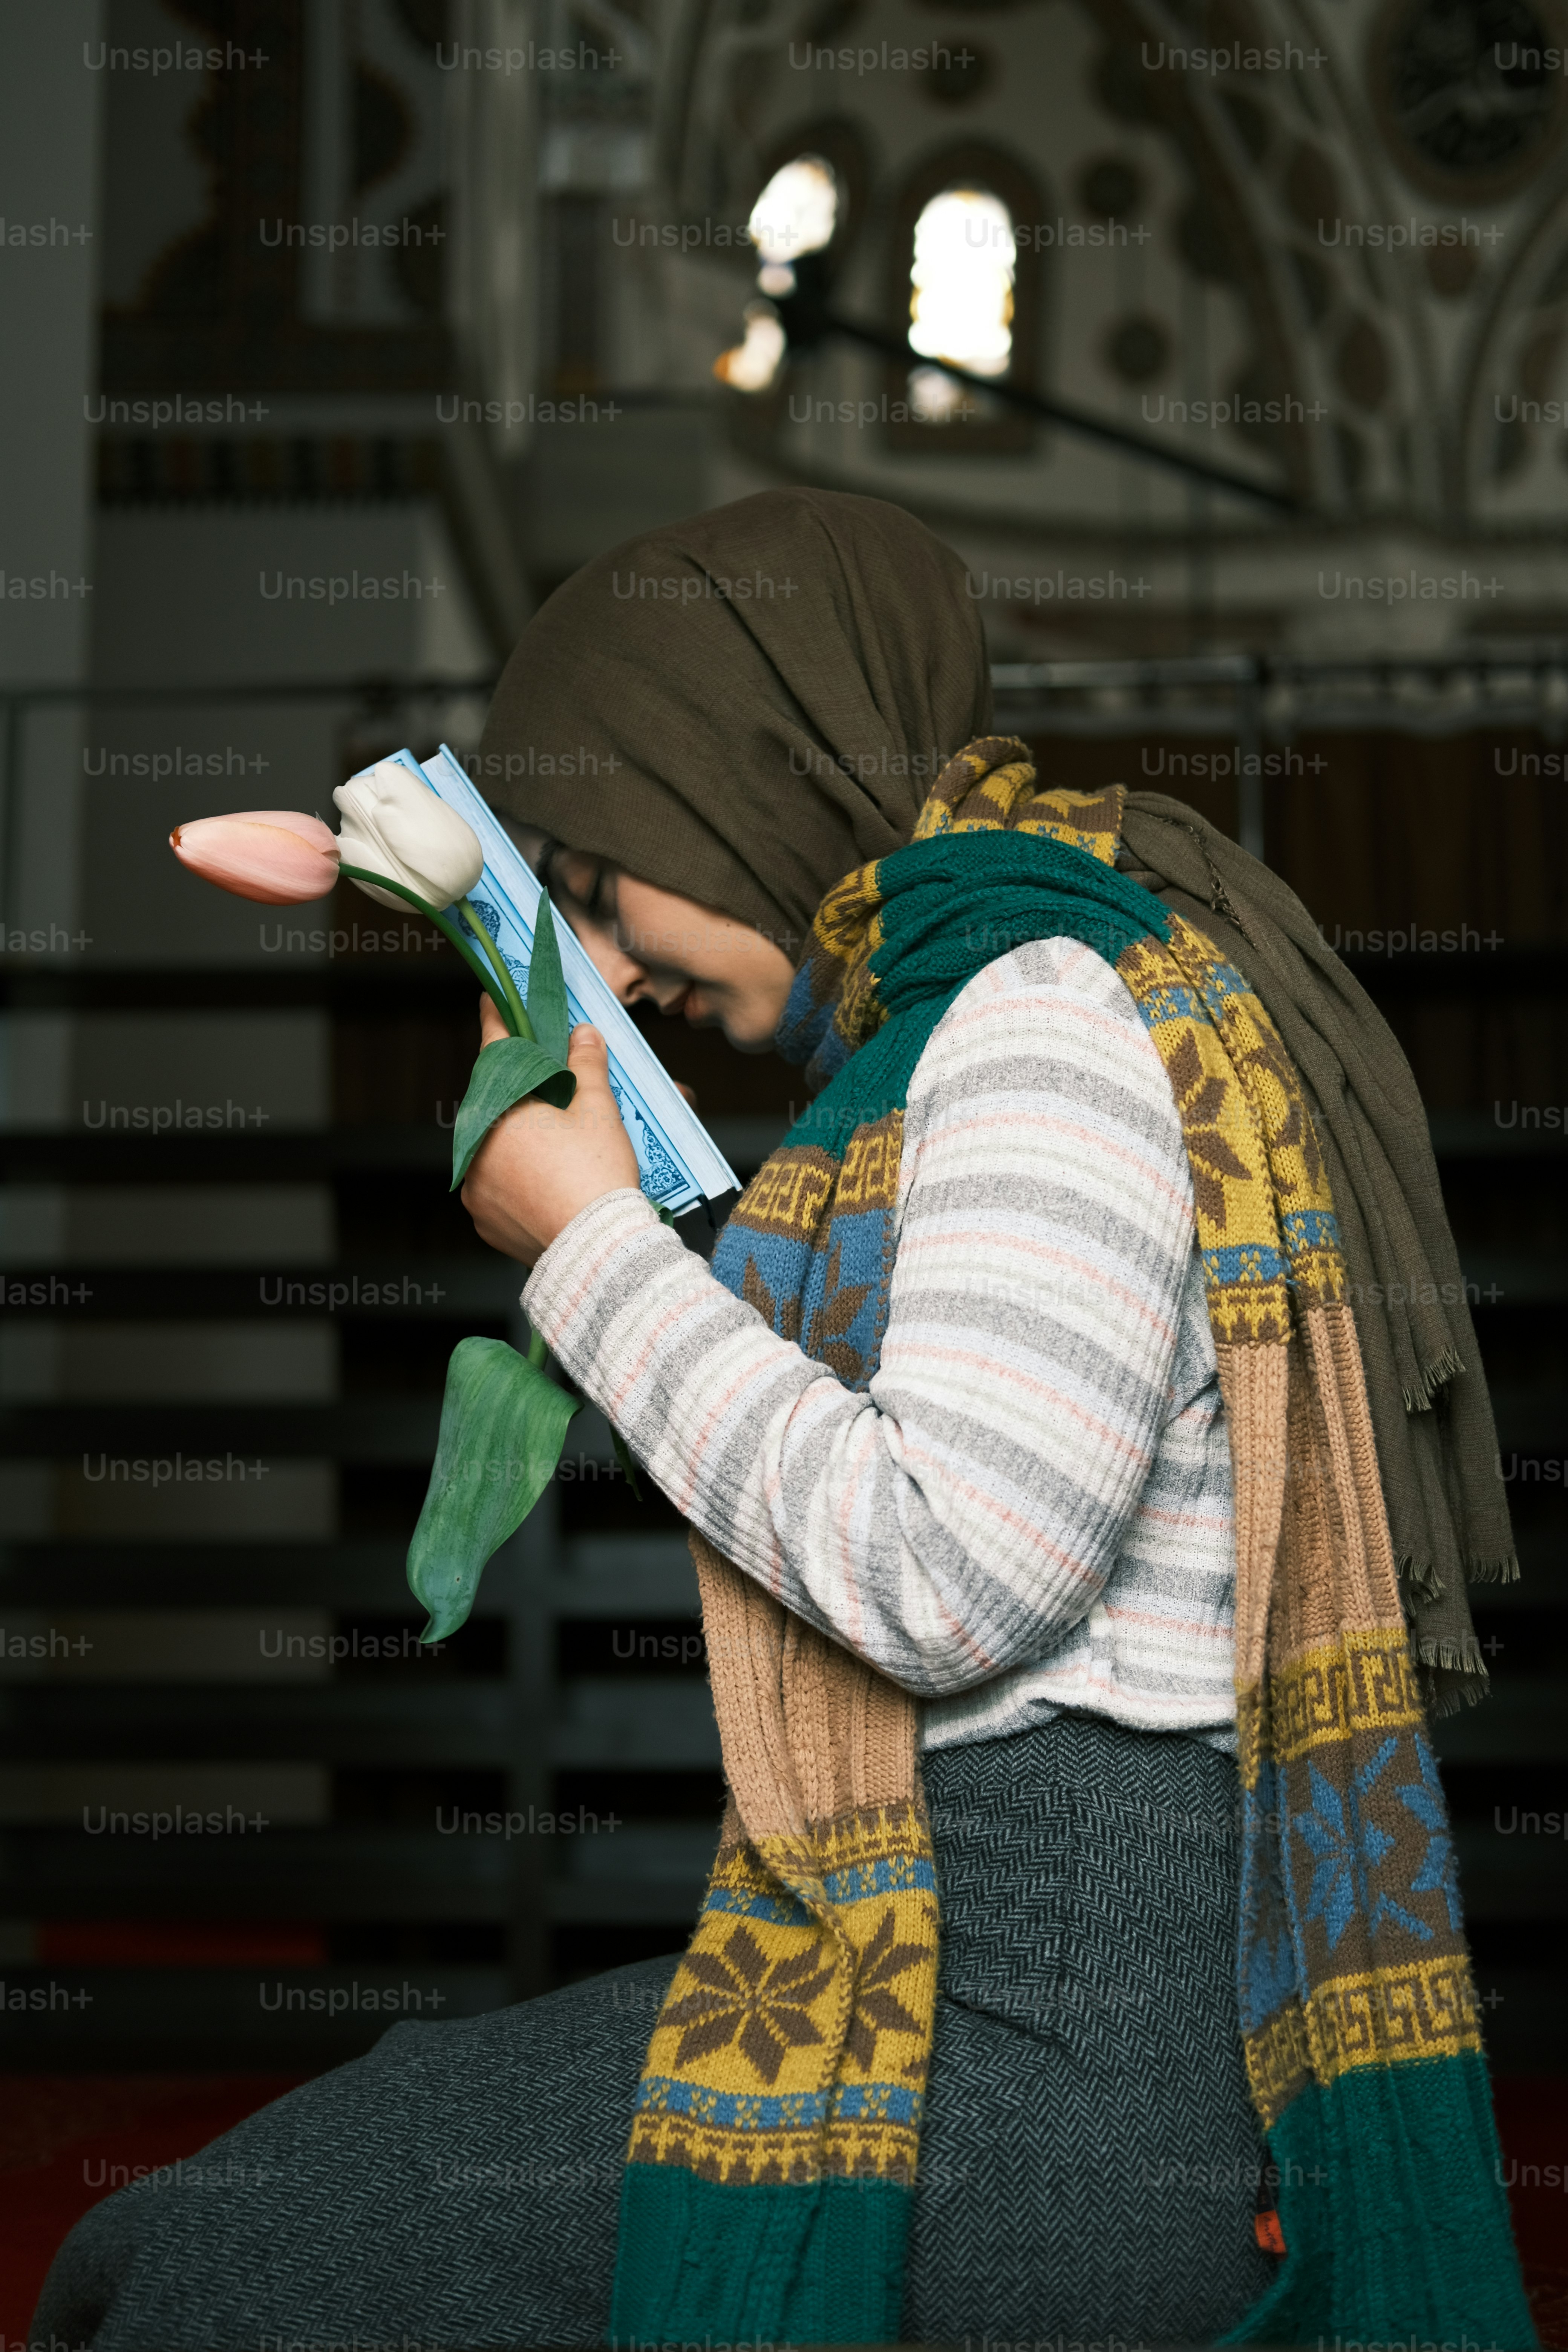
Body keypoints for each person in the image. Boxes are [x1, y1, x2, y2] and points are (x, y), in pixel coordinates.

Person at [35, 488, 1531, 2351]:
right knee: (291, 2212)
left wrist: (583, 1245)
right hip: (1002, 2003)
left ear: (734, 778)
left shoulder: (1038, 1018)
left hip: (1022, 2060)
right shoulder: (961, 1027)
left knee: (218, 2266)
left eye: (601, 883)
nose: (612, 964)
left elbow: (942, 1578)